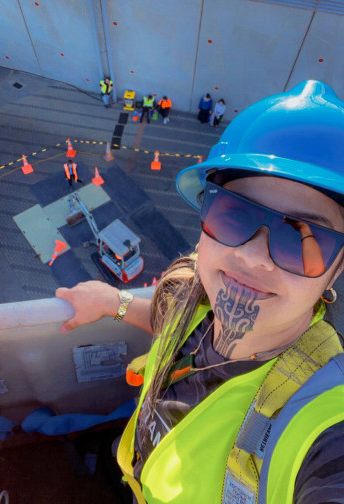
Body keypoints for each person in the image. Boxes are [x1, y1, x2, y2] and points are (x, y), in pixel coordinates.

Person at [56, 80, 344, 503]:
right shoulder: (191, 291)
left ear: (336, 270)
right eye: (234, 215)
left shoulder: (325, 426)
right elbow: (166, 314)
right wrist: (112, 302)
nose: (253, 257)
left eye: (303, 239)